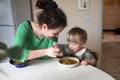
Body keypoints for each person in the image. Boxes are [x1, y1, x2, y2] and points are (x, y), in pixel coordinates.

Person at [9, 0, 67, 67]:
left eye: (58, 33)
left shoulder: (51, 35)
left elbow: (48, 57)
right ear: (45, 26)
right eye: (55, 33)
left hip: (39, 67)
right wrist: (45, 52)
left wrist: (54, 52)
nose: (57, 36)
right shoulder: (24, 28)